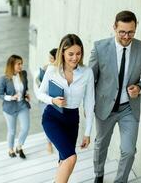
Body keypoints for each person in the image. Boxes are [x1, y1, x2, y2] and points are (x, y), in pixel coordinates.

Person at [89, 10, 141, 183]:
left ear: (135, 28)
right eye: (122, 32)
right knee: (101, 145)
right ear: (114, 27)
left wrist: (140, 87)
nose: (126, 36)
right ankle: (99, 174)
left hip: (129, 109)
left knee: (129, 150)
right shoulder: (99, 47)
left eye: (131, 32)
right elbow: (90, 79)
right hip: (104, 108)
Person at [37, 34, 95, 183]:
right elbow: (40, 93)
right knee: (71, 157)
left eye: (78, 53)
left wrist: (87, 133)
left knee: (64, 159)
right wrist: (52, 100)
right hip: (52, 118)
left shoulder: (87, 73)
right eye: (70, 54)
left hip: (72, 120)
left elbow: (89, 104)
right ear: (62, 52)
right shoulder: (52, 70)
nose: (75, 58)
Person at [0, 54, 31, 159]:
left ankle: (19, 146)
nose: (21, 66)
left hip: (22, 105)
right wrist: (11, 97)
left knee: (25, 128)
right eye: (18, 64)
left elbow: (26, 87)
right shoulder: (3, 79)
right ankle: (10, 149)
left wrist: (26, 94)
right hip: (9, 108)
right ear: (12, 65)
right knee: (12, 131)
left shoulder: (23, 74)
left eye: (21, 64)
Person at [33, 48, 57, 154]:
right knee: (47, 122)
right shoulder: (44, 69)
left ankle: (56, 140)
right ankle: (49, 143)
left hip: (56, 101)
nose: (49, 60)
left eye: (51, 58)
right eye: (49, 57)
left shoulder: (60, 70)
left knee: (56, 122)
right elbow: (37, 81)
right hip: (44, 101)